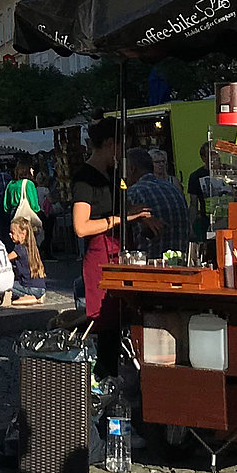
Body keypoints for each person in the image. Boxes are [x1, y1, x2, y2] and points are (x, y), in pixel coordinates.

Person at [69, 117, 143, 321]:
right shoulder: (85, 178)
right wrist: (121, 218)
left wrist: (138, 214)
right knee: (104, 317)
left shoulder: (114, 173)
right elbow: (81, 227)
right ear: (110, 144)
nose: (123, 155)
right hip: (101, 255)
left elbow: (122, 208)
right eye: (122, 149)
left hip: (122, 249)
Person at [125, 147, 191, 256]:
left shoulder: (133, 192)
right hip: (180, 263)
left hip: (150, 265)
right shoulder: (173, 189)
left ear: (132, 169)